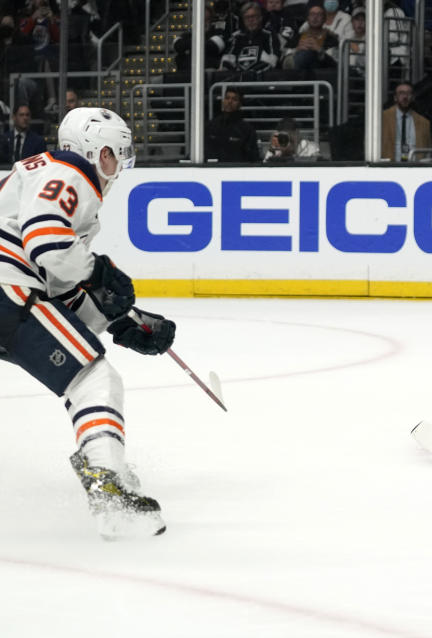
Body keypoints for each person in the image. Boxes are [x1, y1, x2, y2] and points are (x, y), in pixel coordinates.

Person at [0, 107, 174, 538]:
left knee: (86, 368)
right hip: (5, 287)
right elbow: (48, 244)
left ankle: (103, 463)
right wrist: (97, 270)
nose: (121, 163)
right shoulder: (69, 171)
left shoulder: (44, 174)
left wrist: (121, 320)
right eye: (117, 152)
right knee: (93, 379)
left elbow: (58, 289)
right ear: (94, 150)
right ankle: (105, 478)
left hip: (12, 287)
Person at [219, 1, 282, 72]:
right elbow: (228, 59)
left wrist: (256, 73)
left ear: (260, 17)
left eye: (253, 16)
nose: (250, 20)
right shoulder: (236, 37)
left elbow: (273, 60)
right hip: (238, 78)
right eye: (247, 17)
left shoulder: (269, 35)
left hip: (262, 77)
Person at [205, 87, 260, 163]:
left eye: (234, 99)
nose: (229, 101)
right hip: (212, 170)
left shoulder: (247, 130)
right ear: (223, 101)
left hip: (237, 172)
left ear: (240, 104)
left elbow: (253, 158)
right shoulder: (211, 126)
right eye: (227, 98)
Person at [381, 82, 431, 161]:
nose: (405, 97)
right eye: (401, 93)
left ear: (413, 97)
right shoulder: (382, 118)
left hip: (415, 169)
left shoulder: (424, 122)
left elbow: (428, 152)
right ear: (395, 97)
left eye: (408, 93)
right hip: (389, 168)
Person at [282, 3, 339, 70]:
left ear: (324, 19)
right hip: (296, 72)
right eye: (312, 14)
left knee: (309, 53)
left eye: (319, 14)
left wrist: (319, 50)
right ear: (307, 18)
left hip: (321, 74)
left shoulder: (331, 39)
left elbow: (335, 63)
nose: (315, 17)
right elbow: (282, 58)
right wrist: (296, 50)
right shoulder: (297, 37)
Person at [173, 5, 227, 72]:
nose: (203, 23)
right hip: (186, 73)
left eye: (206, 19)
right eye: (200, 19)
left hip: (208, 73)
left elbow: (213, 46)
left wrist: (188, 45)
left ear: (211, 20)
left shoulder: (218, 32)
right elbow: (177, 45)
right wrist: (201, 44)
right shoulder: (188, 34)